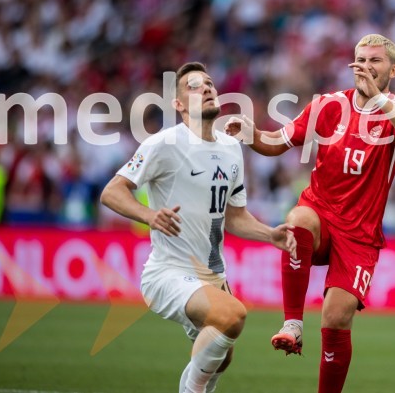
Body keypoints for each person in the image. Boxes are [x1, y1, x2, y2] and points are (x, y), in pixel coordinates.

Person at [224, 34, 395, 393]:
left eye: (375, 61)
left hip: (360, 234)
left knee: (336, 318)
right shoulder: (328, 106)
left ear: (394, 69)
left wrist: (382, 100)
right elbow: (280, 141)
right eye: (360, 60)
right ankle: (292, 324)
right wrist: (252, 134)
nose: (366, 68)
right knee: (298, 221)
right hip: (320, 213)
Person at [100, 62, 296, 393]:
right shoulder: (164, 144)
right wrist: (149, 215)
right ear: (178, 104)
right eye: (193, 86)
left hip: (211, 276)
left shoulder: (231, 148)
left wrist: (270, 234)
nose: (206, 88)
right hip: (169, 272)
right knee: (232, 316)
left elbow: (234, 217)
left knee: (222, 356)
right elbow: (112, 192)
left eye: (208, 83)